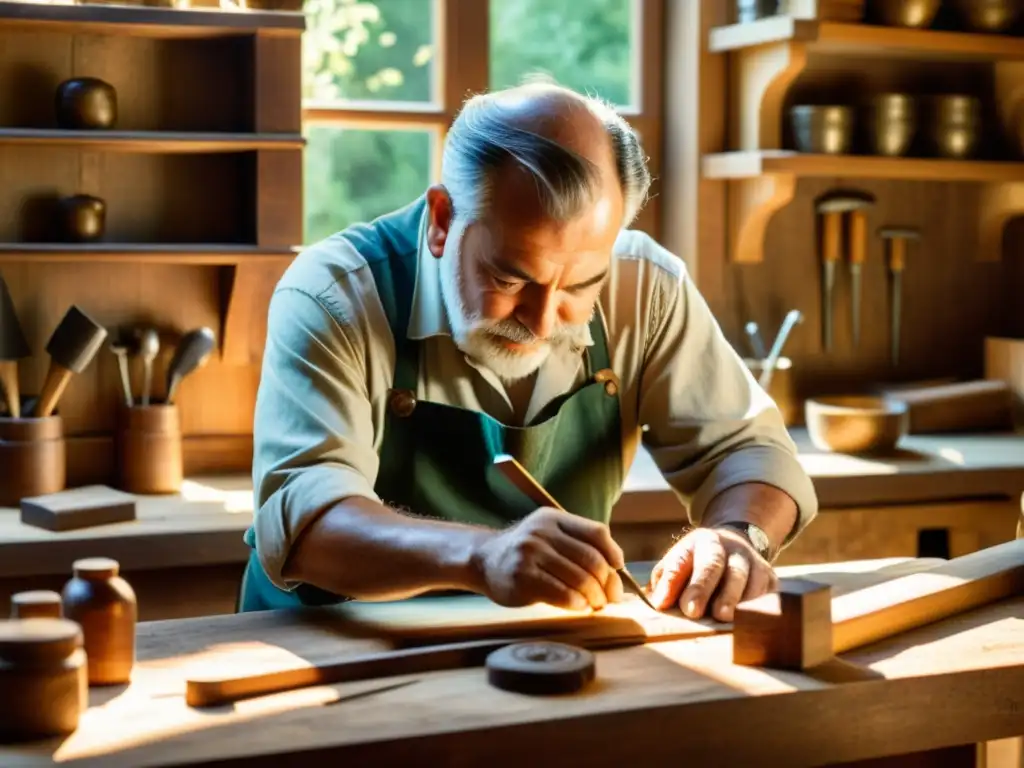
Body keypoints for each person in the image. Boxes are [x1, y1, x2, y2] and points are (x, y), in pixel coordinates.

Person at [239, 80, 818, 622]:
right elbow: (308, 522)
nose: (541, 321)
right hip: (324, 654)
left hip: (536, 657)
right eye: (510, 279)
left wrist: (739, 537)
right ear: (442, 220)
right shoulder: (334, 294)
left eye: (577, 288)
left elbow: (750, 450)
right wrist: (482, 557)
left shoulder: (647, 288)